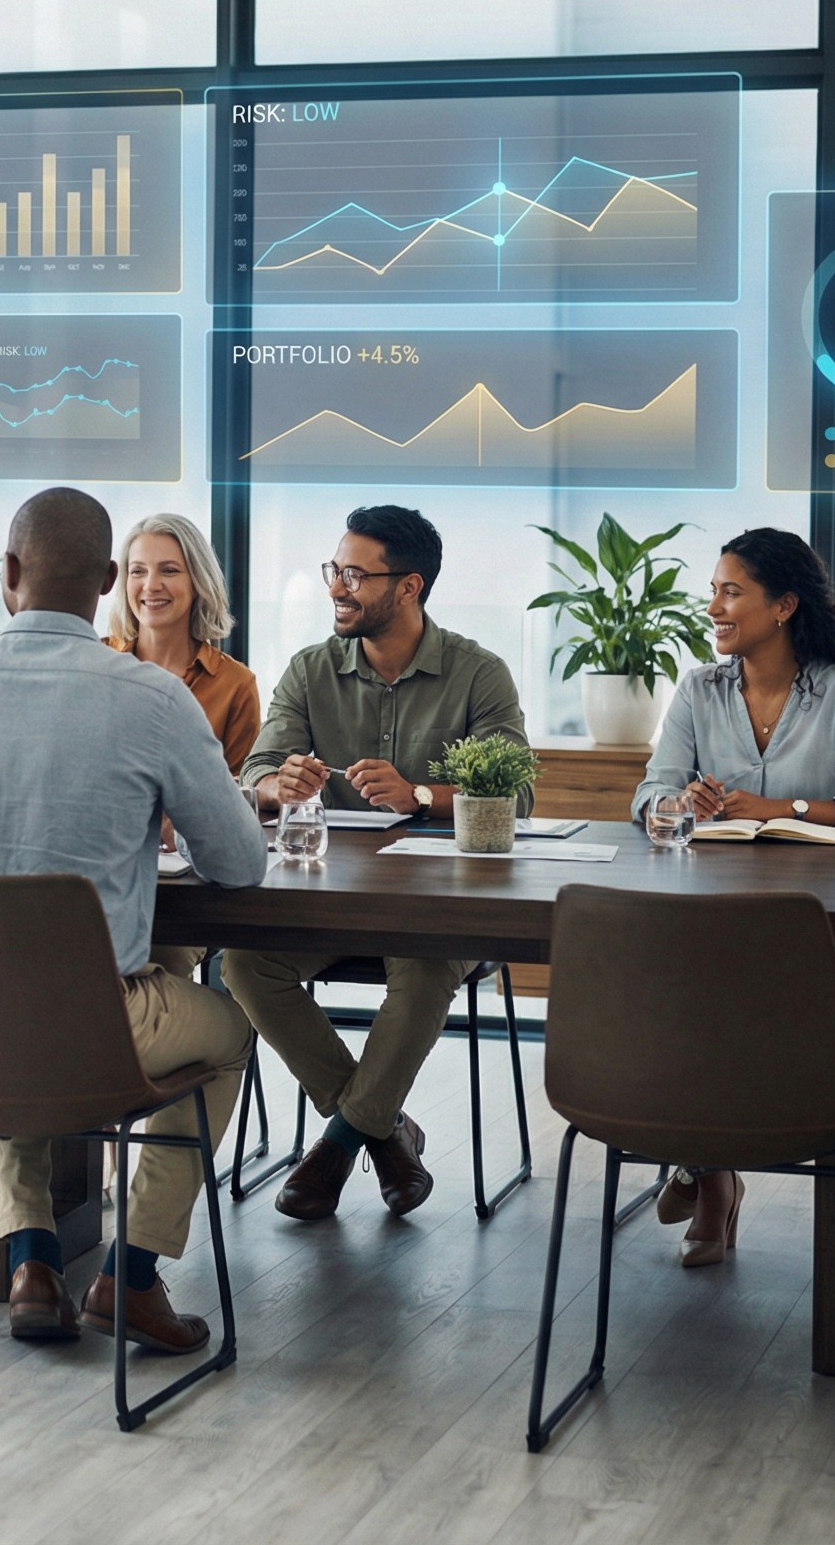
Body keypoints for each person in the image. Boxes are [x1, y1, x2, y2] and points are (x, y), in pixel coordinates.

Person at [0, 488, 267, 1352]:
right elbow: (239, 865)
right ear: (107, 583)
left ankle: (29, 1259)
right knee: (228, 1036)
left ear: (8, 575)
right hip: (101, 1021)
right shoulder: (154, 700)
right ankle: (131, 1276)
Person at [229, 504, 530, 1223]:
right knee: (244, 964)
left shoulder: (478, 672)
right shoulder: (309, 671)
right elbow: (256, 771)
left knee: (425, 969)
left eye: (356, 575)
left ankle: (335, 1147)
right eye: (335, 569)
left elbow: (518, 796)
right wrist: (277, 785)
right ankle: (383, 1130)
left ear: (409, 587)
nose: (338, 585)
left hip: (439, 911)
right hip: (329, 902)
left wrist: (421, 794)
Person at [631, 525, 835, 1265]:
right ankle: (714, 1176)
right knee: (677, 988)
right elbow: (649, 795)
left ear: (784, 605)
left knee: (714, 1002)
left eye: (733, 592)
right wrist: (679, 806)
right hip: (711, 907)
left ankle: (702, 1166)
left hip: (823, 922)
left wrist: (780, 809)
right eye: (714, 590)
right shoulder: (701, 687)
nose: (715, 607)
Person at [108, 513, 261, 774]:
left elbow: (241, 797)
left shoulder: (236, 685)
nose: (151, 585)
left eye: (169, 570)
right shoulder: (97, 661)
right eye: (138, 571)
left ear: (198, 581)